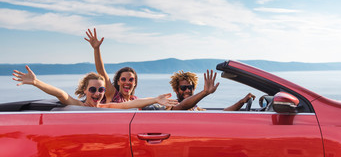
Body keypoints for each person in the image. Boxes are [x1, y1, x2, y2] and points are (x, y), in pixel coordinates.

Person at [12, 65, 178, 109]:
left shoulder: (106, 106)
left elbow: (129, 104)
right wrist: (36, 82)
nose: (97, 93)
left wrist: (155, 99)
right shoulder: (79, 105)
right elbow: (61, 94)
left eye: (101, 90)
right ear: (85, 90)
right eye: (92, 89)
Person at [85, 28, 138, 103]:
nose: (127, 82)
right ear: (118, 82)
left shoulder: (134, 100)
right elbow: (101, 71)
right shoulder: (113, 95)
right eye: (123, 79)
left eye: (131, 79)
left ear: (135, 82)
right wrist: (96, 49)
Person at [170, 69, 255, 111]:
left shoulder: (197, 109)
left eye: (190, 87)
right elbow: (183, 106)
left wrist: (241, 102)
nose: (187, 90)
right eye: (183, 88)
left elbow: (222, 114)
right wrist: (205, 92)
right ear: (176, 90)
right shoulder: (171, 106)